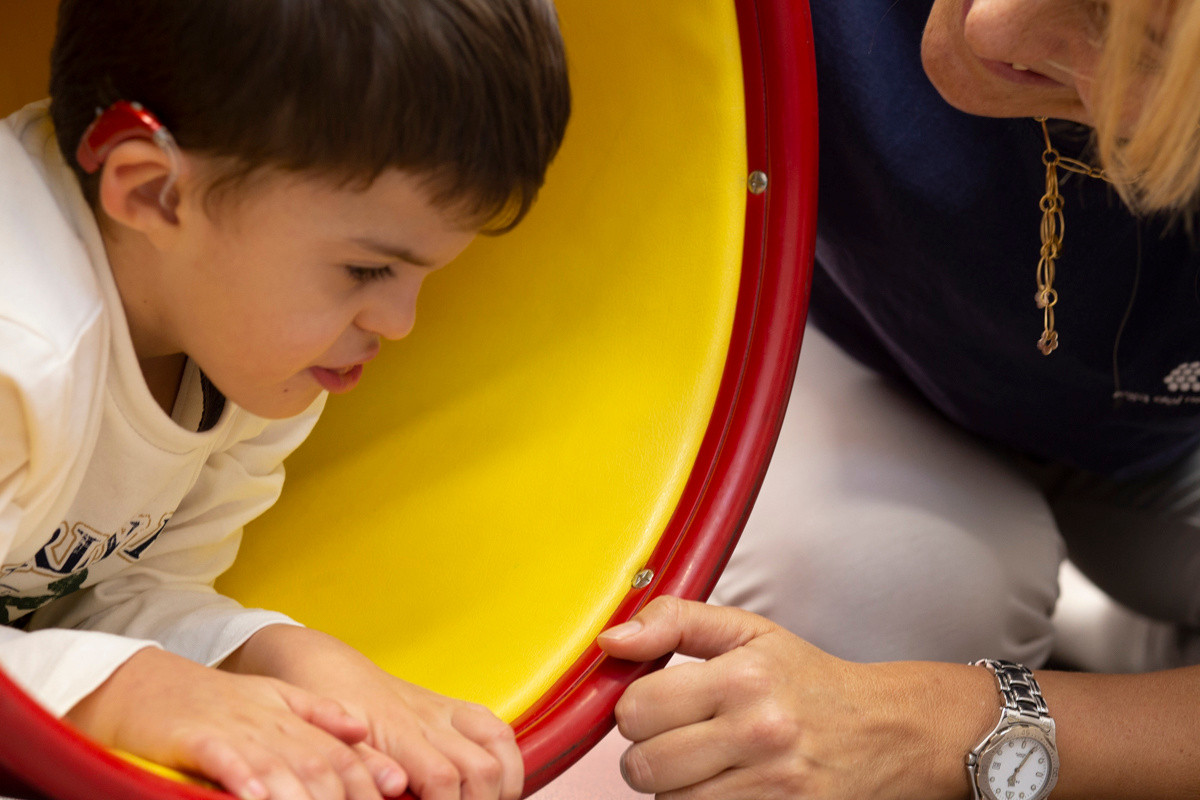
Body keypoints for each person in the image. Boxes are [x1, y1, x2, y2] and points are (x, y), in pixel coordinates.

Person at [592, 0, 1200, 798]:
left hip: (1164, 440)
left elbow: (927, 729)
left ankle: (1134, 658)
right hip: (836, 334)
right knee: (891, 597)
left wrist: (950, 725)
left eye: (1136, 47)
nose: (987, 26)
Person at [0, 2, 569, 799]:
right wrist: (118, 695)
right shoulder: (21, 342)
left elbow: (106, 589)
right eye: (366, 271)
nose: (399, 324)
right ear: (153, 191)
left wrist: (280, 655)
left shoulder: (248, 351)